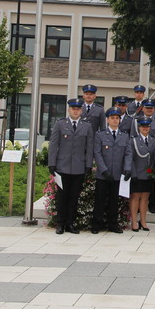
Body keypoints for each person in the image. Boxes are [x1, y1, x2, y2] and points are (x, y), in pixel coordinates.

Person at [48, 98, 94, 235]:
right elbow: (53, 145)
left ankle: (70, 223)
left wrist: (89, 164)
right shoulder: (60, 124)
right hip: (62, 167)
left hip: (79, 167)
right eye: (73, 109)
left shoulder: (87, 126)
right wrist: (52, 163)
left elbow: (89, 147)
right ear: (69, 110)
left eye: (78, 109)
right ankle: (60, 224)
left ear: (81, 110)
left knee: (74, 197)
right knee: (62, 197)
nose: (76, 111)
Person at [91, 107, 129, 234]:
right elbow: (97, 153)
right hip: (103, 174)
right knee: (100, 200)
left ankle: (113, 224)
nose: (115, 120)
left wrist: (127, 169)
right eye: (112, 118)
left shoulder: (124, 136)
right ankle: (97, 224)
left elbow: (128, 154)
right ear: (107, 120)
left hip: (117, 174)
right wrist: (103, 169)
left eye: (117, 118)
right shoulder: (100, 135)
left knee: (114, 201)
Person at [124, 118, 155, 231]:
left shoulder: (153, 140)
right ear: (139, 128)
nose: (145, 128)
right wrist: (133, 172)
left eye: (147, 126)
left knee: (145, 197)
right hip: (137, 173)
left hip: (148, 173)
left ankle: (143, 220)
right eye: (143, 127)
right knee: (135, 197)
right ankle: (134, 222)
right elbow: (130, 158)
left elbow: (154, 158)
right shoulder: (133, 141)